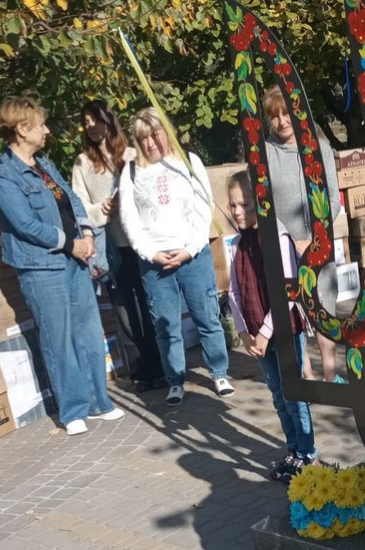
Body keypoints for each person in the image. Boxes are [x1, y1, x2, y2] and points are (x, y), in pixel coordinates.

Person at [0, 97, 122, 436]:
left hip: (75, 259)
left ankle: (99, 402)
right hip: (42, 267)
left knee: (89, 333)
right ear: (22, 129)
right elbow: (24, 224)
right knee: (58, 337)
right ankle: (73, 409)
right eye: (41, 125)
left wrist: (88, 231)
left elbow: (72, 198)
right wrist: (69, 243)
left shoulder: (43, 162)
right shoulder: (3, 175)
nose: (47, 130)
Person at [118, 108, 234, 407]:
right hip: (154, 262)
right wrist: (150, 253)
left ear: (165, 132)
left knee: (206, 315)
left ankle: (219, 372)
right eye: (142, 138)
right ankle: (175, 379)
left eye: (155, 134)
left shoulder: (188, 161)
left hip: (192, 255)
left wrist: (190, 248)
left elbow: (202, 208)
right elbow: (129, 219)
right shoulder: (131, 171)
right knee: (166, 325)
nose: (150, 143)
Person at [225, 172, 320, 482]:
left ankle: (308, 453)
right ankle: (293, 449)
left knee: (294, 395)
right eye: (233, 205)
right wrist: (243, 331)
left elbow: (287, 291)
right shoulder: (239, 243)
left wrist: (265, 332)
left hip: (283, 330)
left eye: (245, 204)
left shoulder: (276, 237)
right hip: (257, 336)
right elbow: (234, 291)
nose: (237, 211)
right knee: (278, 395)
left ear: (261, 204)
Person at [71, 100, 167, 392]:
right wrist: (103, 208)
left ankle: (161, 366)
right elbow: (79, 207)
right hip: (110, 246)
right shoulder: (82, 163)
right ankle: (139, 372)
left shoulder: (131, 155)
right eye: (85, 123)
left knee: (150, 304)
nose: (91, 127)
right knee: (124, 309)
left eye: (94, 120)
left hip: (141, 243)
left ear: (107, 120)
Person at [263, 86, 344, 383]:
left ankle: (330, 374)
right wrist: (286, 239)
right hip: (285, 246)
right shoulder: (266, 153)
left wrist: (315, 236)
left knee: (324, 307)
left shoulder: (319, 148)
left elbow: (333, 199)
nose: (283, 122)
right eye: (275, 116)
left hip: (318, 242)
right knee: (294, 309)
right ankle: (304, 371)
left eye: (287, 114)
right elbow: (265, 206)